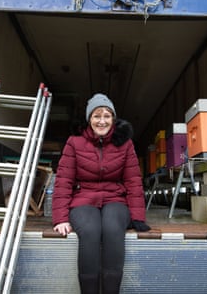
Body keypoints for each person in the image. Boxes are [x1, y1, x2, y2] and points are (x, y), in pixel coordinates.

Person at [52, 93, 151, 294]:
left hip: (115, 198)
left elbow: (133, 181)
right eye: (97, 116)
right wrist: (60, 218)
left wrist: (138, 218)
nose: (102, 121)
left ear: (113, 119)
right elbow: (64, 181)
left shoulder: (125, 143)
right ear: (89, 119)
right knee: (90, 231)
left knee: (112, 228)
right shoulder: (74, 142)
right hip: (83, 199)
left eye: (107, 115)